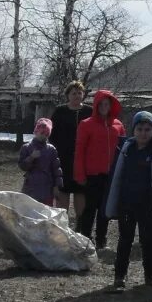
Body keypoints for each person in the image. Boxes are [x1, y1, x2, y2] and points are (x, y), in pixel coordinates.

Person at [104, 111, 152, 291]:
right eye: (140, 129)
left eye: (147, 129)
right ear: (134, 130)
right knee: (124, 240)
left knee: (148, 241)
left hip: (149, 206)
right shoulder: (126, 149)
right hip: (127, 204)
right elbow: (116, 176)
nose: (143, 133)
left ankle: (150, 276)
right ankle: (119, 277)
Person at [74, 89, 125, 248]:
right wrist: (79, 174)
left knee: (105, 210)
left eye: (107, 104)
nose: (104, 107)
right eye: (101, 104)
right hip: (92, 175)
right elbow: (79, 150)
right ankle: (85, 239)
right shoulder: (86, 124)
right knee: (90, 209)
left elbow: (123, 151)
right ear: (96, 105)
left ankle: (101, 240)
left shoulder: (118, 125)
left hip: (110, 176)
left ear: (111, 105)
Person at [49, 81, 92, 218]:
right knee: (63, 191)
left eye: (80, 93)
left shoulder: (89, 111)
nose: (77, 96)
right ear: (68, 95)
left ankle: (81, 227)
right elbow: (52, 134)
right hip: (63, 158)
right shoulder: (60, 111)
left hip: (83, 159)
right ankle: (61, 226)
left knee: (81, 192)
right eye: (74, 93)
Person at [19, 118, 63, 206]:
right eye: (42, 133)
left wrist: (57, 186)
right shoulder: (26, 147)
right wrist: (31, 157)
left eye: (46, 134)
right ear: (36, 132)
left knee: (45, 213)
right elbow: (22, 166)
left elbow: (56, 169)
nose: (43, 136)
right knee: (30, 211)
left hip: (47, 188)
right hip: (30, 187)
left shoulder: (51, 149)